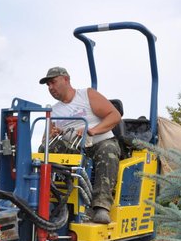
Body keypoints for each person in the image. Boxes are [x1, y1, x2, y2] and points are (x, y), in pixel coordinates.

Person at [39, 66, 122, 224]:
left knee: (108, 149)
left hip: (99, 142)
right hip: (75, 149)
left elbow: (114, 116)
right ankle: (44, 197)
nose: (50, 88)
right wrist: (52, 135)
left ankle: (101, 207)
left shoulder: (86, 95)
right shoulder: (53, 111)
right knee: (45, 151)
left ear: (66, 79)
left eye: (53, 82)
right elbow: (45, 142)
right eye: (48, 85)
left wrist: (92, 130)